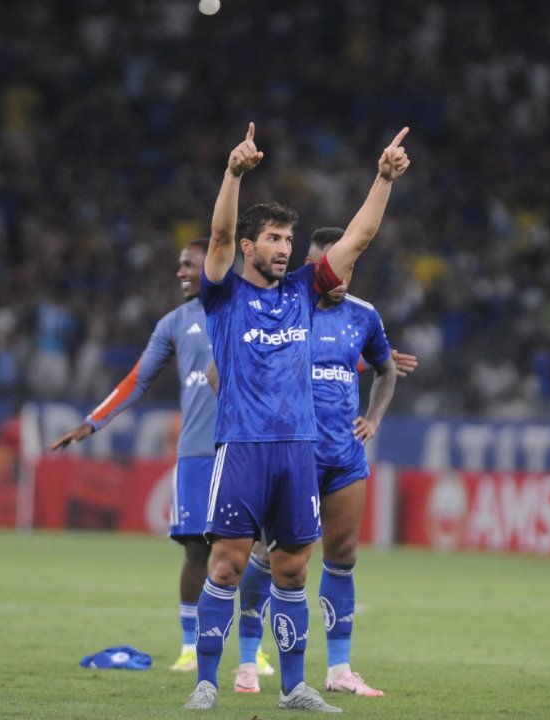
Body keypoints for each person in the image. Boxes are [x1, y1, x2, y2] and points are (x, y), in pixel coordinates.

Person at [183, 122, 409, 713]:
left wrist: (382, 180)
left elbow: (357, 240)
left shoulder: (306, 291)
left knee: (291, 572)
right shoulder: (223, 295)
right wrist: (233, 174)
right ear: (251, 246)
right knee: (228, 565)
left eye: (290, 238)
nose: (285, 247)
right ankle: (206, 682)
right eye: (276, 238)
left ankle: (294, 688)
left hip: (297, 451)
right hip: (243, 446)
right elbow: (220, 231)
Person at [47, 238, 275, 677]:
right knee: (195, 551)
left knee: (253, 554)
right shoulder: (174, 322)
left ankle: (253, 650)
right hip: (195, 453)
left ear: (215, 264)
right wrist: (92, 422)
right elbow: (137, 379)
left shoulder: (254, 308)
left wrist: (361, 363)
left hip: (247, 451)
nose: (181, 272)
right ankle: (190, 648)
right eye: (179, 265)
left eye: (189, 264)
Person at [233, 227, 404, 697]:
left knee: (343, 559)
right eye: (334, 266)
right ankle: (248, 661)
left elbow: (385, 368)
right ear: (312, 268)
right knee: (270, 557)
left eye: (349, 266)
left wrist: (372, 418)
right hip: (292, 456)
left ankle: (340, 670)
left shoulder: (364, 317)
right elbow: (219, 370)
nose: (343, 275)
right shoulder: (283, 310)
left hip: (345, 457)